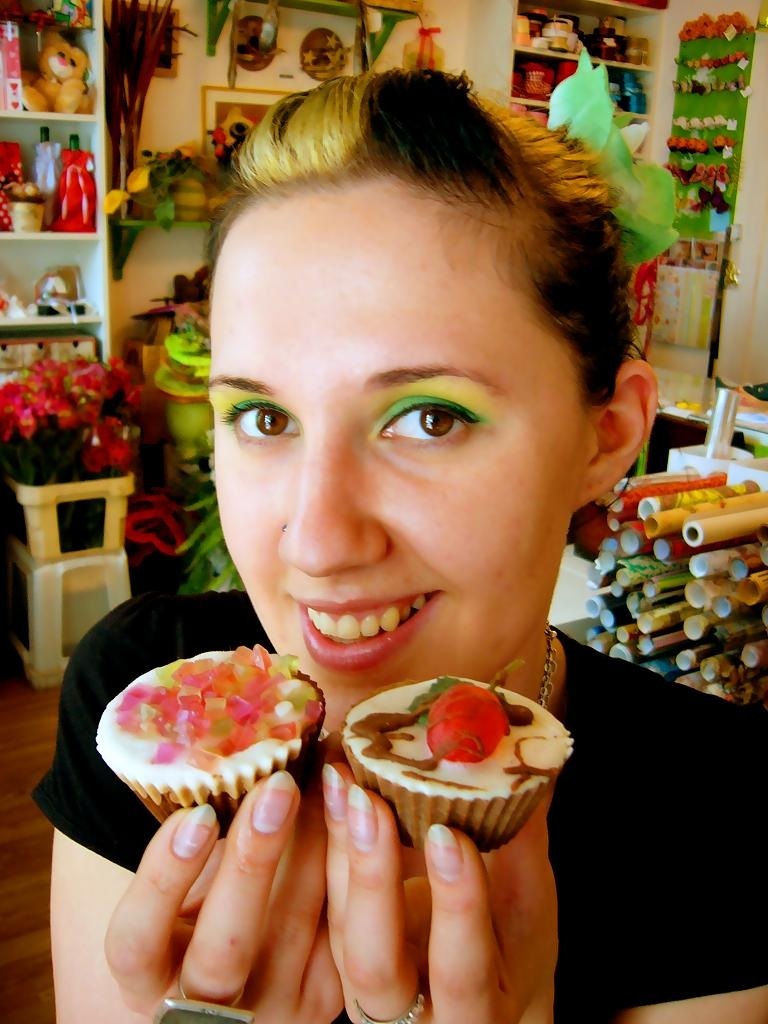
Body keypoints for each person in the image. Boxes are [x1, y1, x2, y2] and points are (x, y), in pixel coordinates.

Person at [34, 65, 768, 1024]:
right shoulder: (142, 717)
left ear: (607, 437)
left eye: (430, 418)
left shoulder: (725, 808)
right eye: (262, 417)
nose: (318, 544)